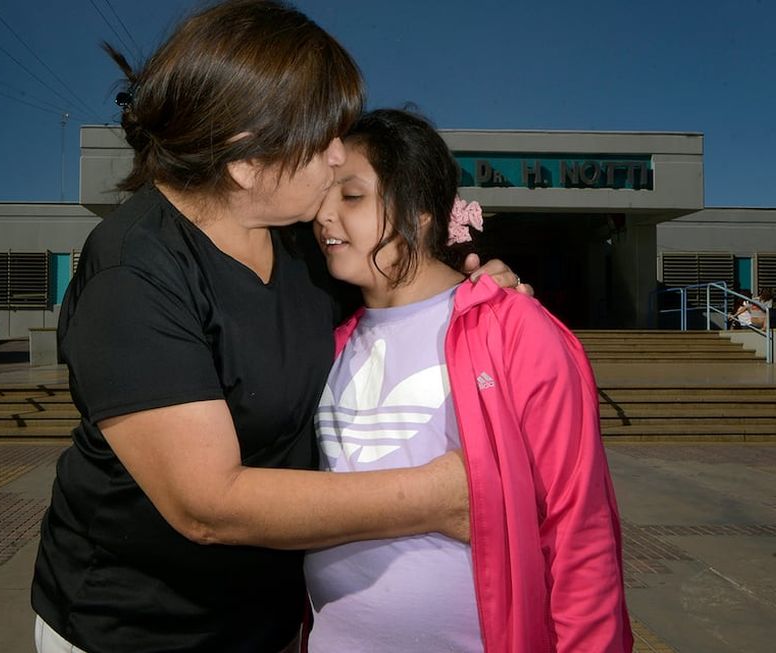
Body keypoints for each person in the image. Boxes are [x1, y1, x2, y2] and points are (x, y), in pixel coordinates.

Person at [30, 3, 526, 652]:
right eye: (322, 139)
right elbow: (209, 502)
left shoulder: (297, 245)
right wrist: (437, 496)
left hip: (269, 621)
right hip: (134, 629)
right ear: (245, 161)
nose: (338, 154)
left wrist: (474, 288)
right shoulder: (133, 273)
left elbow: (396, 281)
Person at [306, 109, 631, 652]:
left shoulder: (514, 330)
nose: (324, 216)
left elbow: (581, 533)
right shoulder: (327, 342)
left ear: (422, 211)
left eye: (352, 196)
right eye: (322, 197)